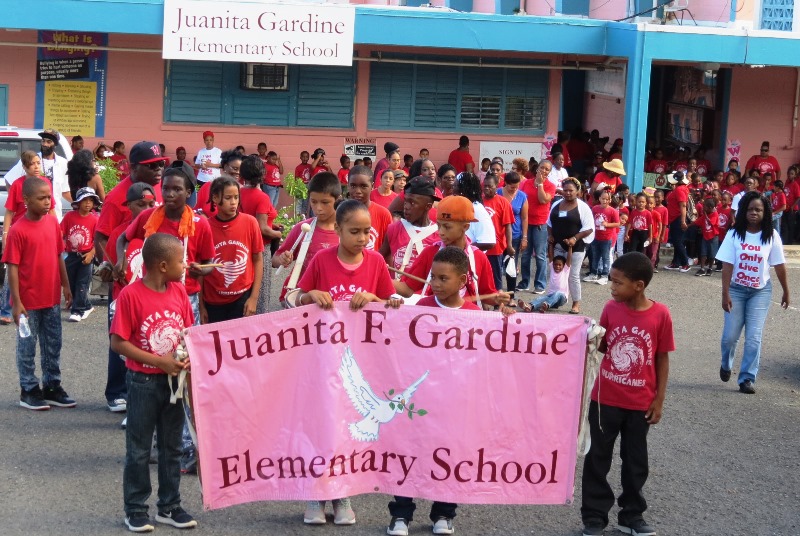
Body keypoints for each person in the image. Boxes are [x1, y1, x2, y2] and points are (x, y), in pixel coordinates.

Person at [296, 200, 402, 527]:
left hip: (360, 365)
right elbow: (297, 299)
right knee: (321, 425)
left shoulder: (376, 263)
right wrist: (312, 295)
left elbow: (390, 304)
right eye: (353, 231)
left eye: (366, 231)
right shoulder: (321, 260)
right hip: (322, 361)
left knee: (347, 429)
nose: (361, 237)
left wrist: (373, 299)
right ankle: (316, 494)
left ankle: (342, 495)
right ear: (338, 230)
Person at [580, 252, 674, 536]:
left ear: (639, 285)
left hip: (639, 403)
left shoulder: (661, 314)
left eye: (618, 283)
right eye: (612, 281)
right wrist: (588, 338)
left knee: (636, 462)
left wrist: (659, 399)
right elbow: (605, 346)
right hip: (605, 399)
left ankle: (631, 515)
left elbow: (662, 358)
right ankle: (594, 517)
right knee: (597, 458)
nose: (612, 287)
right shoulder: (611, 308)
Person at [110, 233, 198, 533]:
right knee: (138, 448)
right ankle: (135, 508)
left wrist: (187, 359)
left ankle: (169, 506)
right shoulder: (131, 296)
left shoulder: (179, 292)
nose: (185, 265)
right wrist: (158, 361)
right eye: (180, 261)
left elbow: (187, 331)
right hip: (143, 382)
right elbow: (118, 342)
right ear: (162, 265)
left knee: (171, 446)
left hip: (174, 382)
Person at [386, 248, 474, 536]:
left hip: (455, 404)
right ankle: (401, 515)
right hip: (420, 401)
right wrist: (396, 313)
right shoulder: (422, 306)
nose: (434, 283)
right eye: (432, 276)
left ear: (462, 280)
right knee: (409, 454)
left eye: (443, 278)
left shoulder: (475, 315)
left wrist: (508, 316)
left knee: (449, 456)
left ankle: (445, 513)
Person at [3, 177, 74, 411]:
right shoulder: (17, 230)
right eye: (41, 198)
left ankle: (52, 386)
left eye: (49, 197)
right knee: (27, 346)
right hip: (27, 303)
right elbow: (12, 268)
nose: (47, 202)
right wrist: (16, 302)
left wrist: (66, 286)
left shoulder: (52, 223)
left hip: (51, 298)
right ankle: (29, 389)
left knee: (53, 344)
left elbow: (58, 256)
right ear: (26, 200)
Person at [717, 191, 790, 394]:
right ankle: (726, 364)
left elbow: (779, 265)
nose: (754, 213)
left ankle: (747, 378)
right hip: (736, 290)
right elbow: (727, 265)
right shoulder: (734, 234)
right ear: (743, 212)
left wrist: (786, 291)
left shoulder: (771, 236)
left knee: (754, 337)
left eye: (758, 209)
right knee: (730, 337)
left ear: (765, 212)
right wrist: (725, 293)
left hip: (760, 292)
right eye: (750, 209)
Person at [394, 195, 510, 310]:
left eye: (447, 227)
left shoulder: (478, 257)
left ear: (465, 227)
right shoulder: (430, 253)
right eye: (438, 225)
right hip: (434, 319)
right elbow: (408, 289)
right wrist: (381, 273)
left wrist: (497, 298)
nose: (441, 232)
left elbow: (486, 294)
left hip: (467, 321)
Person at [103, 182, 157, 414]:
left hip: (151, 303)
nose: (146, 209)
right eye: (140, 204)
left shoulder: (159, 233)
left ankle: (143, 397)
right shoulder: (120, 234)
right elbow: (113, 269)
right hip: (124, 301)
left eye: (151, 204)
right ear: (128, 206)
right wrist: (109, 270)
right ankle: (116, 393)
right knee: (120, 348)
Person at [1, 151, 56, 325]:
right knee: (13, 270)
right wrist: (6, 236)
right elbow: (9, 213)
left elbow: (52, 209)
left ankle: (38, 304)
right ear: (24, 167)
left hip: (40, 234)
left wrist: (56, 230)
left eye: (38, 163)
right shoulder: (18, 185)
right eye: (32, 164)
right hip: (20, 235)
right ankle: (6, 309)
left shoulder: (46, 183)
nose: (36, 167)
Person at [199, 176, 263, 323]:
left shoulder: (250, 222)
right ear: (215, 198)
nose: (233, 202)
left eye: (236, 197)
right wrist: (201, 306)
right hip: (213, 302)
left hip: (242, 299)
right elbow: (202, 269)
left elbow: (258, 260)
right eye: (228, 198)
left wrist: (253, 298)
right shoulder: (206, 227)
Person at [273, 172, 341, 304]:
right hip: (299, 297)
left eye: (325, 202)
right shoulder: (302, 228)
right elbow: (275, 260)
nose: (318, 208)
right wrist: (282, 259)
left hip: (332, 298)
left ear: (337, 199)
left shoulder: (346, 231)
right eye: (313, 202)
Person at [238, 155, 281, 314]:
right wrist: (278, 234)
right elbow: (262, 228)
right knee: (261, 292)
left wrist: (272, 224)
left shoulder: (239, 193)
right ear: (262, 175)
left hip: (243, 245)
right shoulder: (262, 197)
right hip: (260, 248)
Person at [547, 178, 594, 313]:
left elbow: (589, 228)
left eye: (571, 190)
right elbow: (549, 223)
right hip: (557, 245)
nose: (567, 193)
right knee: (556, 272)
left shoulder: (583, 207)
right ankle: (554, 300)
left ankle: (576, 303)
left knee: (573, 275)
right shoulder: (556, 204)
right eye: (565, 190)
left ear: (577, 191)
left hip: (576, 246)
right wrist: (550, 235)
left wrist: (575, 238)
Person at [4, 129, 71, 219]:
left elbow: (65, 191)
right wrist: (17, 202)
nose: (45, 144)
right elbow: (9, 179)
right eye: (43, 141)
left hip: (53, 215)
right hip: (30, 216)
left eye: (49, 141)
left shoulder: (63, 163)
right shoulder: (30, 160)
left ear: (55, 144)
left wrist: (79, 203)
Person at [380, 176, 440, 276]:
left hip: (426, 290)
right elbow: (380, 258)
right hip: (397, 289)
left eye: (412, 203)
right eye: (406, 201)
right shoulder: (394, 229)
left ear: (428, 206)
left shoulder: (439, 235)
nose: (406, 207)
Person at [61, 187, 101, 322]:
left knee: (82, 284)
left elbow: (98, 240)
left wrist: (91, 254)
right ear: (78, 202)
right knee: (71, 283)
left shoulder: (95, 219)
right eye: (84, 200)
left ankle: (77, 311)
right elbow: (61, 233)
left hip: (87, 255)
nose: (88, 203)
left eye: (91, 200)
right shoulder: (69, 217)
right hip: (71, 255)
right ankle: (87, 306)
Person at [518, 159, 555, 293]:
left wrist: (540, 185)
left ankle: (540, 284)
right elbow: (520, 198)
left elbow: (543, 199)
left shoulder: (550, 186)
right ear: (537, 168)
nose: (544, 171)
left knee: (540, 255)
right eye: (542, 168)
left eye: (547, 169)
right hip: (526, 222)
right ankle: (524, 282)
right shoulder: (526, 183)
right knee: (526, 254)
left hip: (540, 224)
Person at [482, 174, 515, 293]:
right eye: (484, 186)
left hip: (496, 247)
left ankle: (498, 302)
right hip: (480, 246)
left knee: (496, 277)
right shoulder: (478, 201)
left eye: (490, 186)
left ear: (496, 186)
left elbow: (508, 225)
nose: (486, 189)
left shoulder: (503, 202)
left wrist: (509, 245)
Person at [346, 166, 392, 252]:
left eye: (363, 186)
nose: (358, 191)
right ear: (347, 185)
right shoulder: (341, 213)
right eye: (353, 186)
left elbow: (388, 250)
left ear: (372, 186)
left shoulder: (383, 214)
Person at [518, 244, 570, 313]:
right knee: (541, 298)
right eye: (555, 264)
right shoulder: (552, 268)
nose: (557, 266)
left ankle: (546, 305)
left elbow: (569, 259)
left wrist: (570, 247)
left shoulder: (565, 270)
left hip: (562, 298)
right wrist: (551, 244)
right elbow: (551, 255)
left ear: (564, 266)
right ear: (553, 264)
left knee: (557, 293)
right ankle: (530, 306)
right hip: (550, 297)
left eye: (559, 265)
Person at [499, 171, 528, 294]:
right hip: (499, 235)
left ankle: (511, 293)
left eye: (517, 186)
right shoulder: (498, 193)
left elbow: (525, 218)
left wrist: (524, 237)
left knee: (511, 264)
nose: (514, 189)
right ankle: (497, 292)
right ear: (505, 183)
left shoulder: (522, 196)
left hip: (515, 234)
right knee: (497, 265)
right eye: (512, 187)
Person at [586, 190, 620, 284]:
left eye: (607, 199)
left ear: (609, 200)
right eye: (603, 198)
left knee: (606, 257)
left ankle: (605, 275)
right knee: (595, 256)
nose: (604, 201)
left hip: (607, 238)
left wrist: (607, 224)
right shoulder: (595, 208)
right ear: (599, 199)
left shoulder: (613, 211)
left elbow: (617, 223)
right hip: (596, 236)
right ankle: (594, 274)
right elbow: (591, 219)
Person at [454, 172, 495, 251]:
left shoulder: (476, 209)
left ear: (463, 188)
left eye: (455, 186)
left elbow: (489, 242)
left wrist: (462, 248)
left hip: (471, 259)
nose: (453, 189)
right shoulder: (462, 206)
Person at [664, 172, 691, 272]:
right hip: (675, 218)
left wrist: (683, 221)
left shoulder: (680, 189)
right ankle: (676, 263)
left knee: (677, 241)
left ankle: (685, 263)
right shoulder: (681, 188)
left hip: (678, 218)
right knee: (676, 241)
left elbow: (683, 206)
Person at [693, 197, 720, 277]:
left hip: (713, 237)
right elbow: (697, 222)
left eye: (705, 206)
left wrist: (705, 214)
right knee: (703, 253)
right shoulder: (705, 215)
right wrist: (688, 226)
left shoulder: (715, 214)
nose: (703, 208)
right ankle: (702, 268)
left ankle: (710, 268)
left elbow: (711, 222)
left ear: (710, 208)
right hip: (705, 237)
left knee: (712, 254)